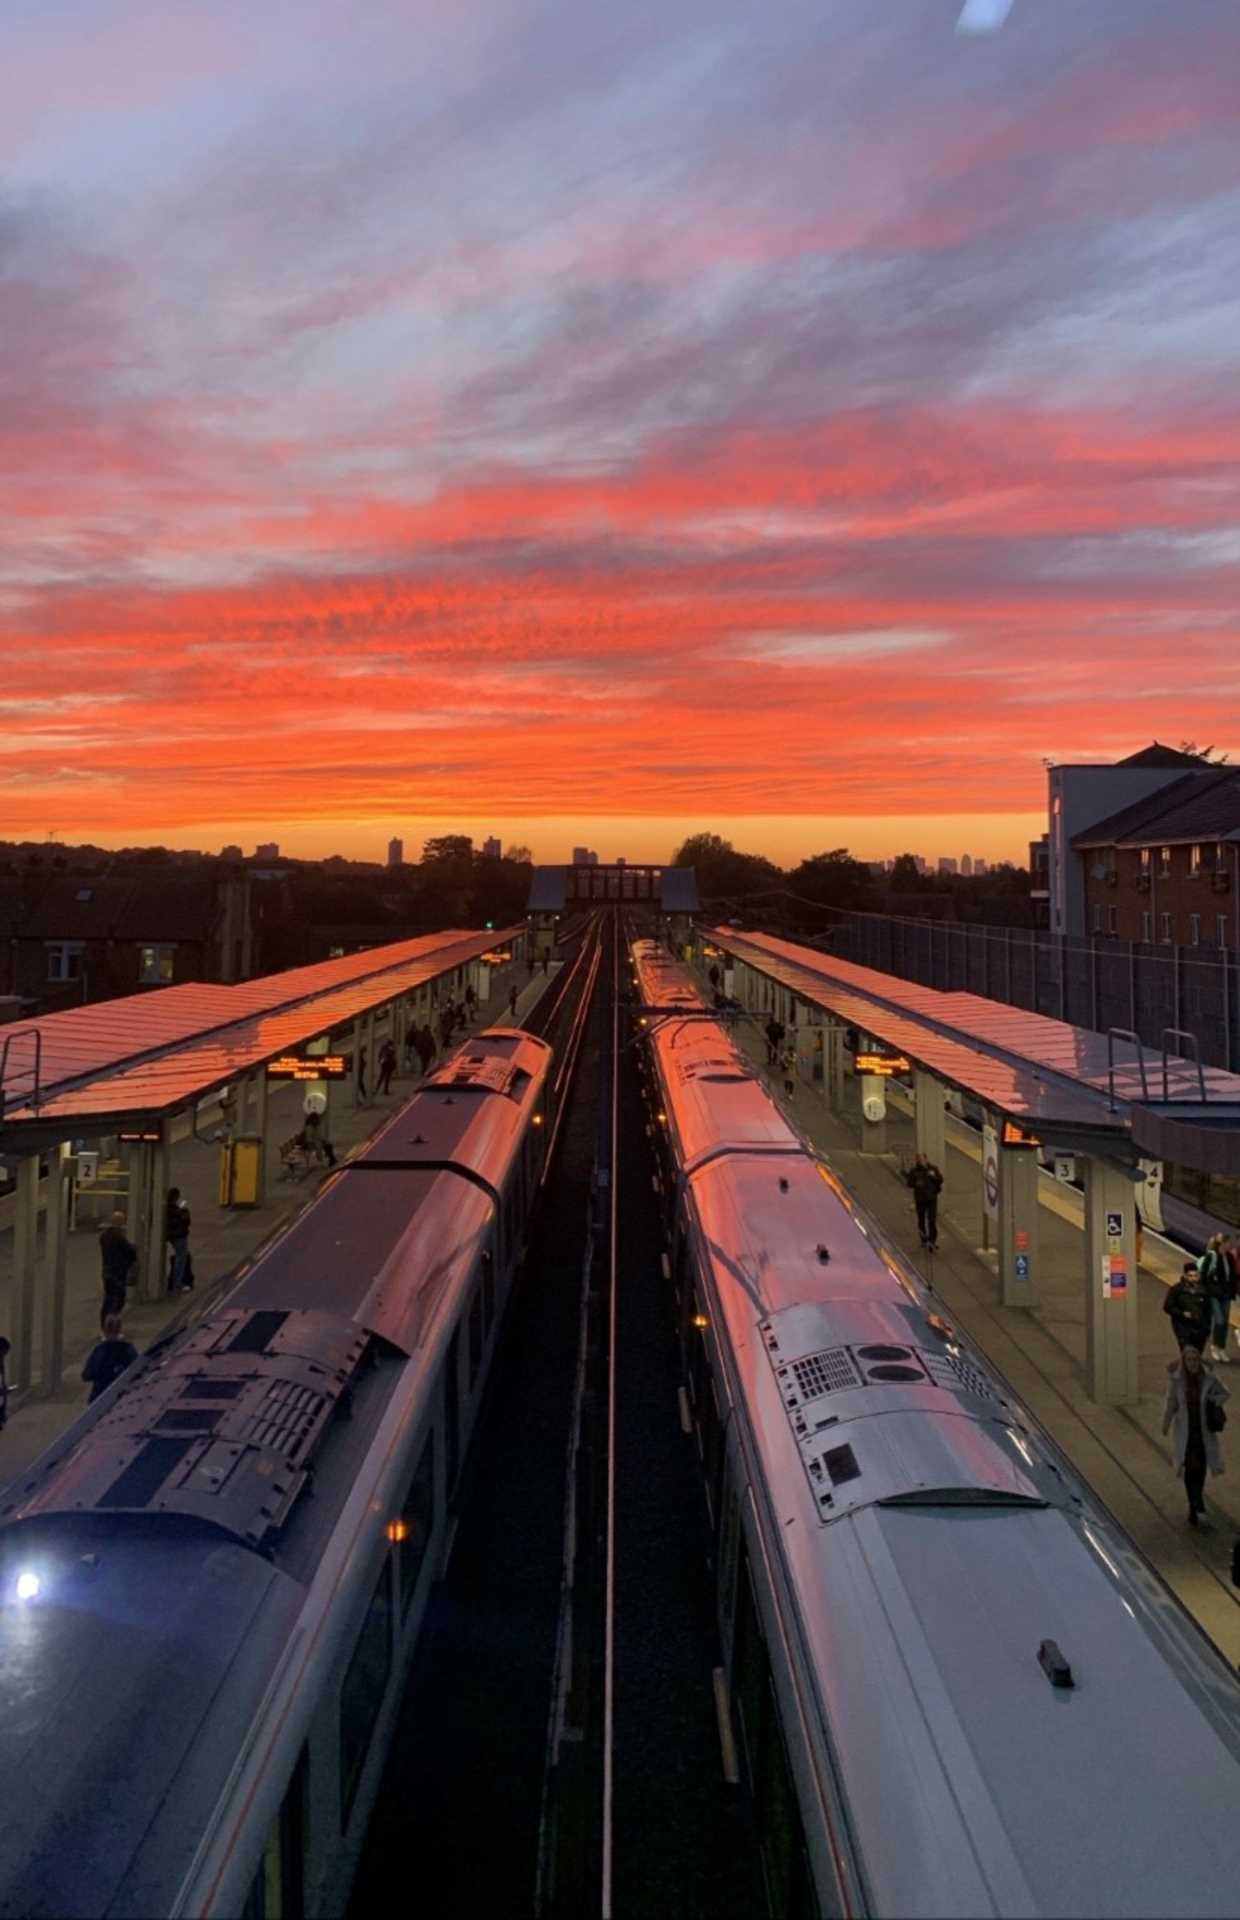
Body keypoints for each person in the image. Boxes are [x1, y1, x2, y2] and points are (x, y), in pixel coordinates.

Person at [1162, 1345, 1228, 1526]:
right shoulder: (1177, 1380)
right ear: (1184, 1362)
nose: (1192, 1364)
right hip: (1187, 1433)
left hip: (1202, 1433)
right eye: (1189, 1360)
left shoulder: (1208, 1379)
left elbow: (1224, 1393)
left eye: (1195, 1360)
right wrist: (1166, 1423)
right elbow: (1171, 1402)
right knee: (1191, 1470)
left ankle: (1195, 1506)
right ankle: (1197, 1505)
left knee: (1200, 1470)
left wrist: (1212, 1401)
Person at [82, 1314, 139, 1404]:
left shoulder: (99, 1351)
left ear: (105, 1330)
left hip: (100, 1397)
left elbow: (87, 1375)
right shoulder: (128, 1349)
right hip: (122, 1397)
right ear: (120, 1329)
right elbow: (138, 1370)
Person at [1198, 1233, 1236, 1363]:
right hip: (1213, 1294)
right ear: (1222, 1243)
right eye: (1229, 1243)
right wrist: (1206, 1291)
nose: (1231, 1245)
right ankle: (1214, 1346)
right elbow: (1203, 1274)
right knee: (1219, 1320)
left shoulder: (1229, 1257)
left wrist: (1232, 1292)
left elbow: (1232, 1276)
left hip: (1226, 1295)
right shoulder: (1212, 1256)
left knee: (1225, 1322)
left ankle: (1221, 1348)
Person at [99, 1209, 137, 1328]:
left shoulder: (104, 1236)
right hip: (118, 1272)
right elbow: (130, 1252)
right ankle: (111, 1326)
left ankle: (104, 1325)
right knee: (117, 1301)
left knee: (108, 1299)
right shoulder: (119, 1237)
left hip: (107, 1272)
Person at [1164, 1260, 1212, 1353]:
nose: (1193, 1278)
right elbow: (1168, 1306)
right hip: (1183, 1327)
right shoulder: (1177, 1289)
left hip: (1200, 1328)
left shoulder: (1204, 1290)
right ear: (1185, 1276)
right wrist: (1182, 1314)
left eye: (1195, 1276)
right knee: (1188, 1353)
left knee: (1197, 1354)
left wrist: (1207, 1329)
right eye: (1190, 1276)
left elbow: (1208, 1311)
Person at [906, 1154, 944, 1251]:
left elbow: (940, 1180)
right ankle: (924, 1240)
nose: (921, 1162)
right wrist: (916, 1183)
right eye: (919, 1160)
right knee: (921, 1220)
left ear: (926, 1159)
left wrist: (933, 1177)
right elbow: (909, 1184)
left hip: (932, 1198)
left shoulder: (933, 1169)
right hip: (920, 1199)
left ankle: (932, 1241)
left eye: (923, 1160)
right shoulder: (914, 1171)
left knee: (932, 1220)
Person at [165, 1188, 192, 1293]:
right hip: (179, 1236)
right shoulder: (175, 1211)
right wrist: (184, 1213)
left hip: (172, 1235)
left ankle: (176, 1282)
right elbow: (185, 1221)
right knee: (181, 1259)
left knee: (180, 1258)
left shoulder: (167, 1208)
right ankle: (177, 1283)